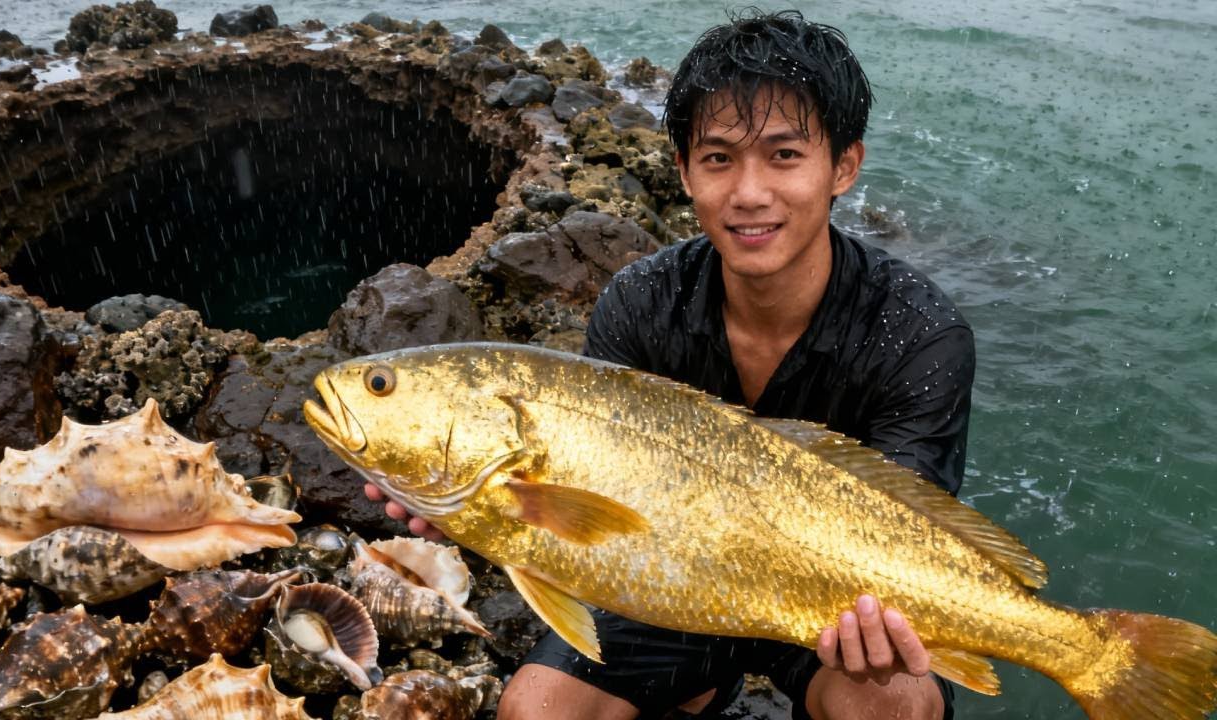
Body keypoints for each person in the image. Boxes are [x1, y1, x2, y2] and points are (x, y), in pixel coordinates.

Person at [372, 9, 975, 719]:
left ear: (844, 165)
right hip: (665, 585)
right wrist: (480, 513)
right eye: (718, 158)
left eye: (784, 156)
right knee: (533, 708)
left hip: (829, 608)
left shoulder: (921, 334)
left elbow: (915, 528)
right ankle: (694, 690)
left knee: (900, 705)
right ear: (685, 171)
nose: (749, 193)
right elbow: (583, 516)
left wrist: (881, 626)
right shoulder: (639, 302)